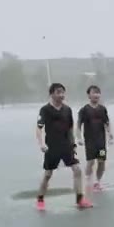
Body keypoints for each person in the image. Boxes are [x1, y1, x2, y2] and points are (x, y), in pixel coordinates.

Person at [36, 83, 93, 211]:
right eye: (58, 92)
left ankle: (80, 199)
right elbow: (39, 128)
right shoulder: (45, 110)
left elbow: (70, 128)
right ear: (51, 94)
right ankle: (40, 199)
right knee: (48, 174)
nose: (61, 95)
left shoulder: (67, 110)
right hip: (52, 148)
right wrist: (42, 144)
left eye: (63, 92)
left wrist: (73, 143)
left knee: (77, 170)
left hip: (66, 146)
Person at [76, 85, 113, 192]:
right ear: (89, 95)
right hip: (90, 141)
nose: (96, 95)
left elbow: (107, 123)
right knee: (91, 161)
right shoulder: (84, 110)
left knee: (101, 161)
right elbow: (78, 125)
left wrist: (110, 134)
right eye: (94, 92)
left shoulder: (102, 109)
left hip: (101, 142)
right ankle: (88, 180)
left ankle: (97, 182)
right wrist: (79, 137)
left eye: (98, 93)